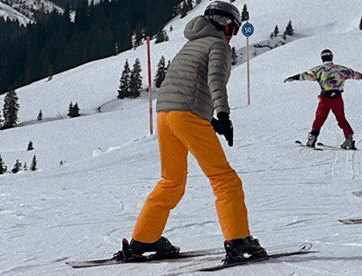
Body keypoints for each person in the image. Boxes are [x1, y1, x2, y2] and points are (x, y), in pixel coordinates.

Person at [114, 1, 266, 264]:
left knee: (171, 181)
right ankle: (238, 240)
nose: (232, 35)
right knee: (224, 178)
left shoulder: (190, 45)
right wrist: (223, 114)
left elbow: (189, 84)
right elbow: (214, 80)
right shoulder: (218, 45)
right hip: (187, 115)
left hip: (165, 115)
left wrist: (210, 120)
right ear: (226, 25)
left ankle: (144, 239)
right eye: (234, 29)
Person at [284, 49, 362, 150]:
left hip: (325, 98)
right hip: (337, 98)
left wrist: (293, 78)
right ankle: (349, 139)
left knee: (319, 118)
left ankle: (312, 139)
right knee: (341, 118)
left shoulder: (318, 69)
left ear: (322, 58)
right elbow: (353, 74)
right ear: (331, 57)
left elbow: (304, 76)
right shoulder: (340, 69)